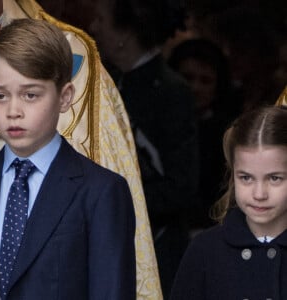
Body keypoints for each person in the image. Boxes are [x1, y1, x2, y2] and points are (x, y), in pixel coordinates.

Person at [0, 1, 162, 298]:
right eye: (0, 96)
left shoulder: (102, 192)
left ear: (66, 97)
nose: (13, 110)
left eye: (30, 95)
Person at [89, 0, 199, 297]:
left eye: (101, 19)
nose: (93, 27)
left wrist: (114, 201)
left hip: (157, 246)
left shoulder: (170, 92)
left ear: (125, 33)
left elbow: (182, 184)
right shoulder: (105, 81)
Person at [170, 105, 287, 299]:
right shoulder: (204, 251)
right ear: (233, 175)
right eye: (246, 178)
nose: (259, 194)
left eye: (274, 178)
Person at [168, 38, 232, 228]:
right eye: (187, 78)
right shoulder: (162, 127)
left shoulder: (229, 135)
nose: (195, 88)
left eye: (205, 81)